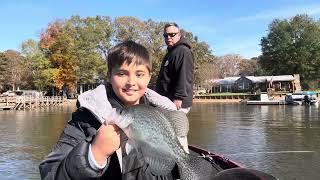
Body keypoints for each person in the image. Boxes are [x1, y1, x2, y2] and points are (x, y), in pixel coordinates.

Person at [39, 40, 180, 180]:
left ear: (149, 77)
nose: (131, 82)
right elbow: (49, 172)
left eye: (139, 74)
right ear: (109, 76)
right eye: (122, 74)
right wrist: (94, 154)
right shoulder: (86, 119)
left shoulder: (163, 113)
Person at [156, 22, 194, 114]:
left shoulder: (183, 51)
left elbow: (184, 75)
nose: (168, 37)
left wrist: (179, 97)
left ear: (179, 35)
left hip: (177, 103)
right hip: (167, 101)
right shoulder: (171, 52)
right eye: (165, 35)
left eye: (172, 34)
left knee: (175, 128)